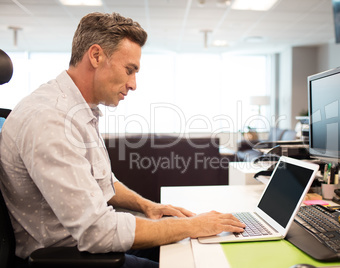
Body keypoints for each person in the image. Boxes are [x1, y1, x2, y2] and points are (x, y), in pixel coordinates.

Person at [0, 12, 245, 268]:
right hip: (70, 257)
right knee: (192, 257)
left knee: (195, 248)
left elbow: (103, 182)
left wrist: (147, 206)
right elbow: (97, 232)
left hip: (86, 245)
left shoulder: (78, 110)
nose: (133, 84)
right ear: (96, 56)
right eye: (129, 70)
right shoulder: (50, 119)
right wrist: (190, 225)